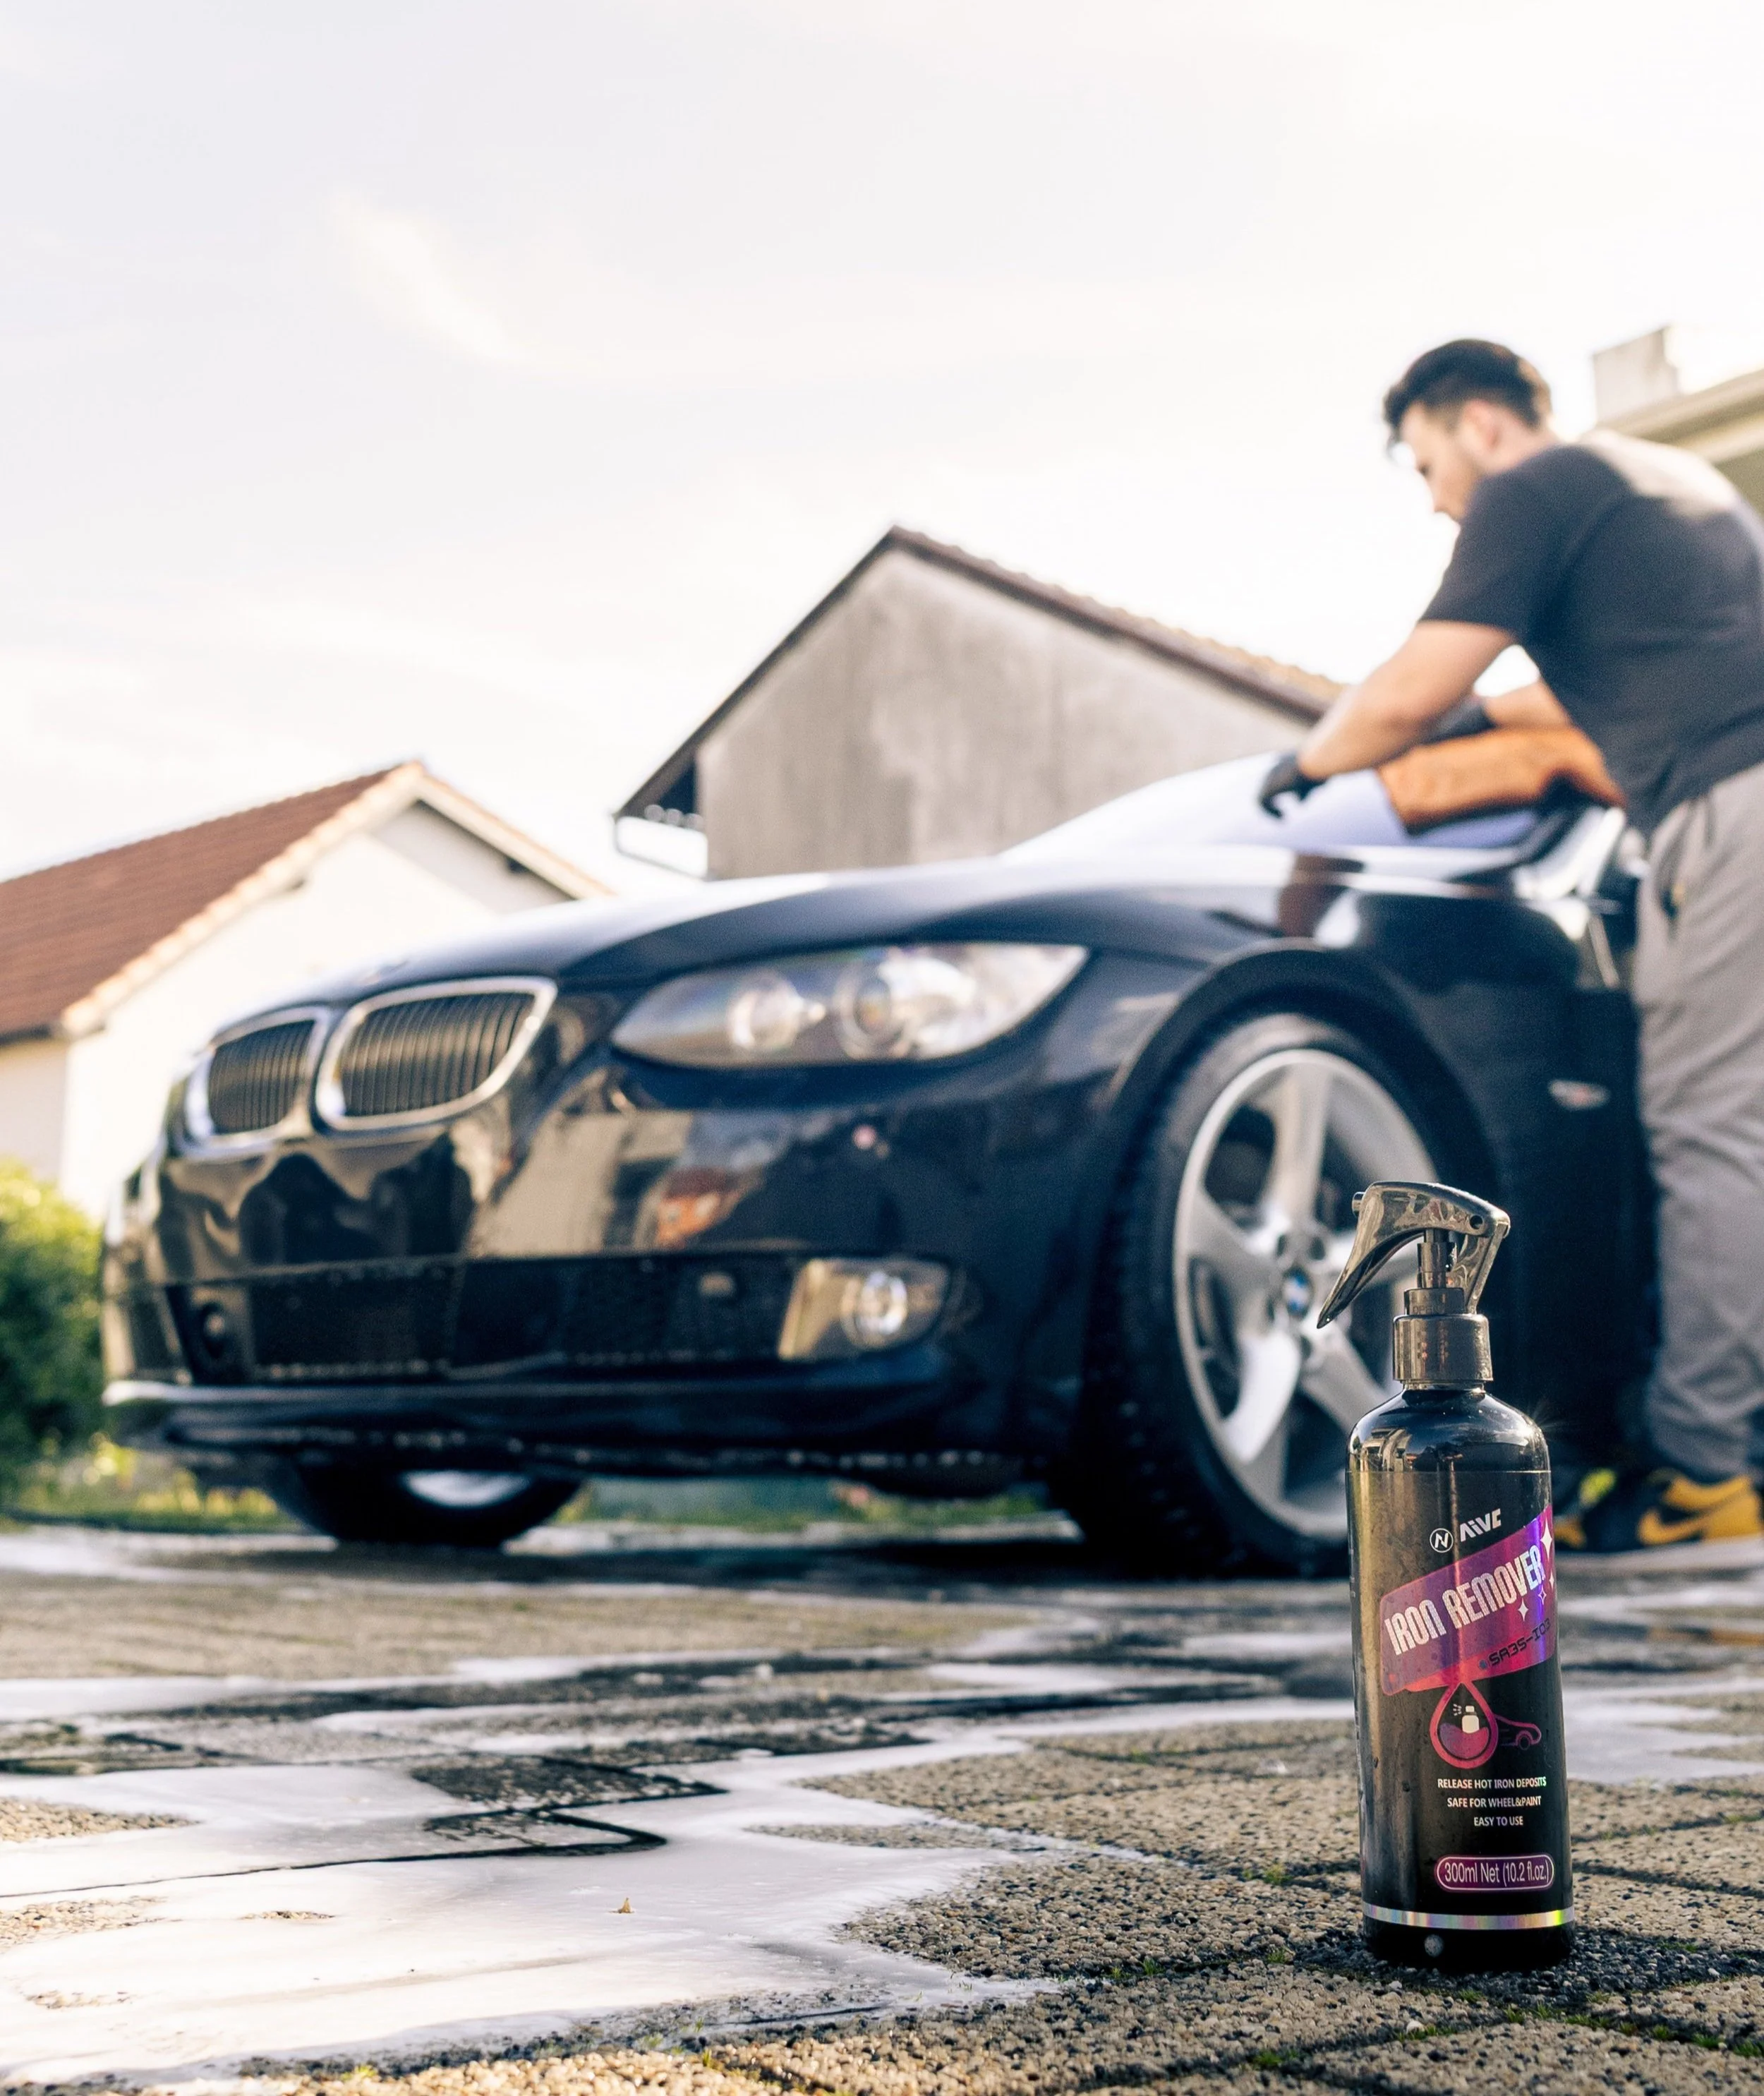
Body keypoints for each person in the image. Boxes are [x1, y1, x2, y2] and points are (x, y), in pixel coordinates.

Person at [1260, 337, 1764, 1551]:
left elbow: (1410, 689)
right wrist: (1478, 719)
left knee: (1711, 1128)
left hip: (1732, 810)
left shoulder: (1534, 488)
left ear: (1481, 424)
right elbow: (1565, 691)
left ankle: (1704, 1472)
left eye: (1430, 463)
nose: (1437, 497)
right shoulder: (1671, 485)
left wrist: (1306, 766)